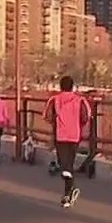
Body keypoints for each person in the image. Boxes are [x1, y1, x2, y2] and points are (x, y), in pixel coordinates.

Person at [43, 76, 91, 207]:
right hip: (75, 135)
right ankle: (68, 194)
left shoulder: (55, 99)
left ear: (60, 86)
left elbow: (47, 116)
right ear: (72, 86)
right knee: (68, 165)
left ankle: (70, 191)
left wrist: (56, 121)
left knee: (64, 165)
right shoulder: (80, 100)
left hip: (61, 136)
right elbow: (85, 117)